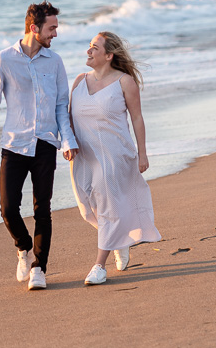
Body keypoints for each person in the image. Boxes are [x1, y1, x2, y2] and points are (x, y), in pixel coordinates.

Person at [0, 1, 78, 291]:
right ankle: (23, 248)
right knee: (8, 208)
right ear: (34, 28)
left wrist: (67, 141)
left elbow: (61, 105)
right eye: (52, 28)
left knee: (42, 209)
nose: (55, 34)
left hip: (45, 143)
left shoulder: (55, 62)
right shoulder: (3, 60)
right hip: (14, 144)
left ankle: (39, 268)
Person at [68, 31, 161, 286]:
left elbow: (137, 118)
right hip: (84, 156)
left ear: (108, 55)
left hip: (114, 154)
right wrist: (67, 143)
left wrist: (142, 153)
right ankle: (117, 239)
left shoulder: (124, 82)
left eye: (94, 48)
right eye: (89, 46)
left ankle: (99, 266)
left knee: (107, 203)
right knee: (87, 207)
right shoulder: (78, 82)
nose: (88, 51)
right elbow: (68, 119)